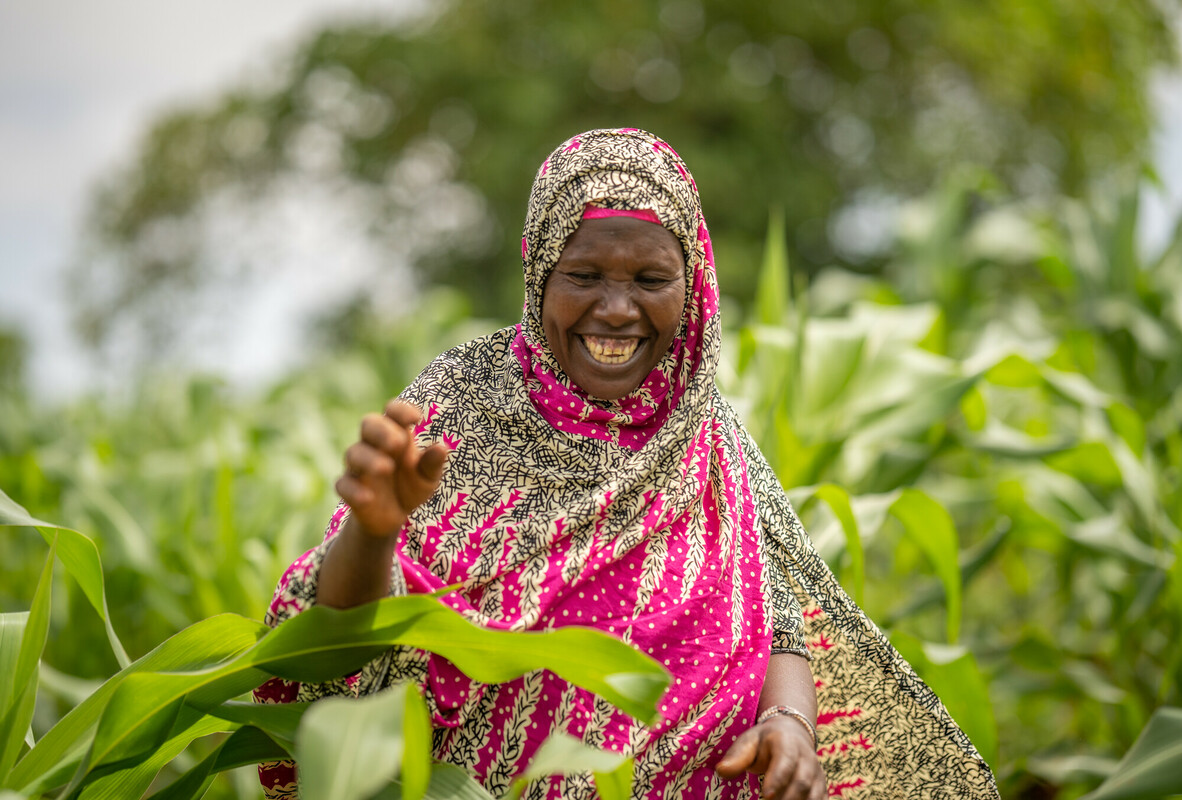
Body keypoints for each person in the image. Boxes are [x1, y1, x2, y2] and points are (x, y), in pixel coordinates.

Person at [254, 129, 999, 800]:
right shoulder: (461, 408)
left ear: (693, 284)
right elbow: (338, 642)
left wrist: (791, 725)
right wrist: (373, 532)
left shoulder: (710, 442)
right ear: (541, 272)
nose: (617, 308)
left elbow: (781, 631)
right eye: (584, 276)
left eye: (649, 280)